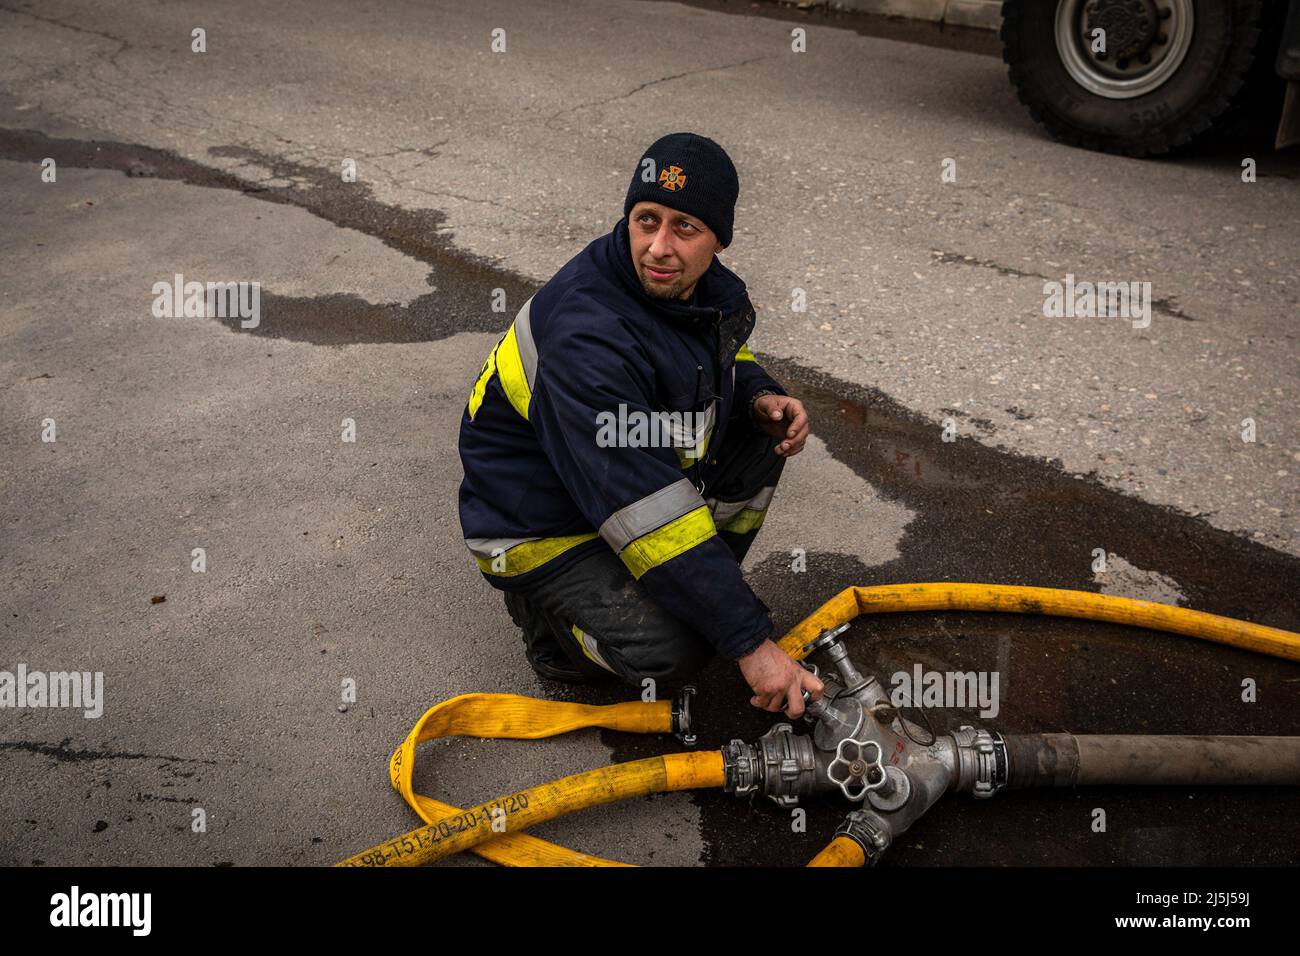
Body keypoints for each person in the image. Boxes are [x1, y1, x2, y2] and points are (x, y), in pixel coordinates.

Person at [457, 132, 823, 718]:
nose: (657, 246)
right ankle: (554, 634)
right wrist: (750, 645)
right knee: (675, 654)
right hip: (539, 525)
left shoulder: (695, 291)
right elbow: (644, 505)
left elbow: (712, 354)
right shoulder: (588, 336)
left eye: (684, 227)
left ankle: (696, 589)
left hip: (612, 487)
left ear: (717, 242)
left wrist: (757, 395)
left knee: (764, 432)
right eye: (645, 219)